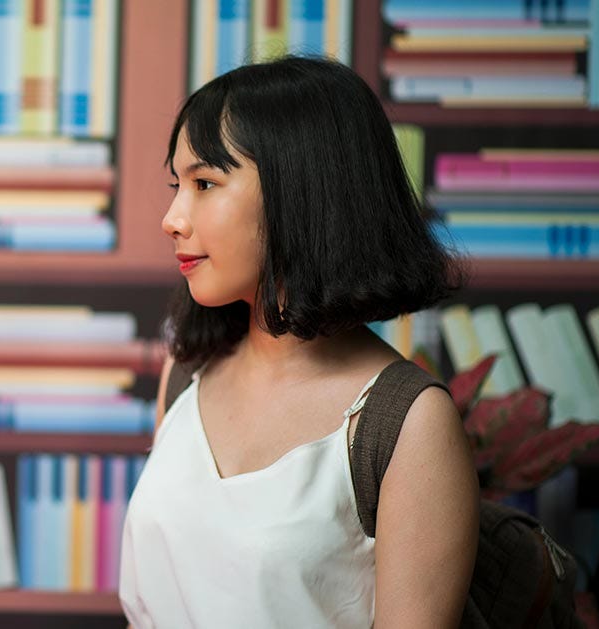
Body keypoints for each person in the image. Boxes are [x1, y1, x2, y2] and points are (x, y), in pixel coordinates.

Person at [118, 56, 480, 628]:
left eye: (205, 183)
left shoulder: (405, 424)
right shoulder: (189, 373)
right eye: (177, 185)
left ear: (303, 193)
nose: (171, 218)